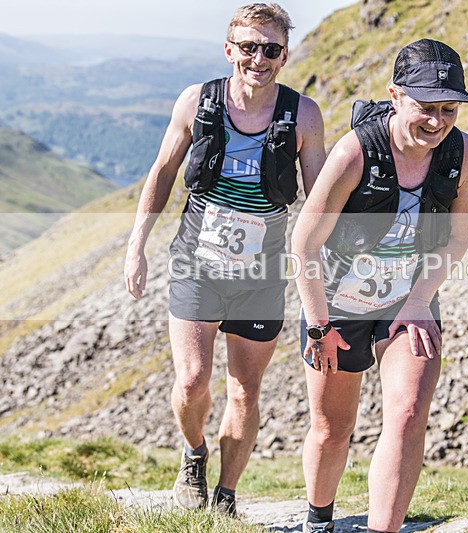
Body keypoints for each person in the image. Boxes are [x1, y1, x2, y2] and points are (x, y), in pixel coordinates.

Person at [123, 3, 325, 516]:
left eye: (271, 49)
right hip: (198, 259)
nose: (259, 58)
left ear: (284, 55)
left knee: (244, 391)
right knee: (192, 381)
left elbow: (320, 194)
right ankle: (194, 454)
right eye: (249, 47)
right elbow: (163, 171)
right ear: (229, 49)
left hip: (262, 269)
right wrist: (137, 244)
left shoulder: (302, 114)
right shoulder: (197, 101)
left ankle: (226, 496)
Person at [291, 39, 468, 533]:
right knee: (334, 430)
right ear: (395, 96)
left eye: (449, 109)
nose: (438, 122)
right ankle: (319, 521)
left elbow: (458, 239)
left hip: (409, 298)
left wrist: (420, 299)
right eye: (426, 108)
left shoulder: (466, 156)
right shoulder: (355, 152)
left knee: (407, 412)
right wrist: (319, 327)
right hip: (336, 303)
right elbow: (305, 245)